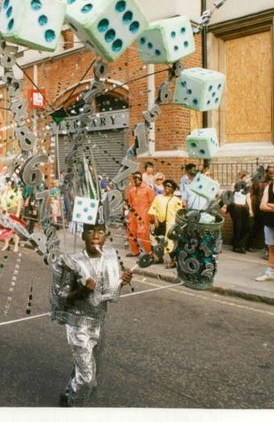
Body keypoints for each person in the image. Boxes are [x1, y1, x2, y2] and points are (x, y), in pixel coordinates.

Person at [50, 223, 134, 407]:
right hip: (78, 325)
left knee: (86, 365)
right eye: (90, 231)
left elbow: (109, 295)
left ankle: (68, 393)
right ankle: (74, 409)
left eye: (100, 231)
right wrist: (82, 291)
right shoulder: (72, 262)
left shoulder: (110, 258)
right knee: (88, 378)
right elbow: (62, 297)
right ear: (83, 236)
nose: (96, 235)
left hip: (99, 322)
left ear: (106, 236)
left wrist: (122, 282)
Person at [147, 179, 182, 267]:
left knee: (169, 242)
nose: (166, 187)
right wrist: (155, 219)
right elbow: (153, 208)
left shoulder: (176, 200)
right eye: (165, 186)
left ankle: (173, 262)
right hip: (159, 223)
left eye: (169, 186)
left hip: (169, 224)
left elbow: (180, 213)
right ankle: (159, 258)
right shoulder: (158, 197)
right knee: (156, 241)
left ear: (173, 189)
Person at [221, 171, 253, 254]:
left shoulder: (247, 187)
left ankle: (241, 244)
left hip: (243, 207)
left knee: (247, 227)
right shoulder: (234, 185)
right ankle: (236, 246)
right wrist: (225, 206)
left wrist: (250, 209)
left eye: (248, 178)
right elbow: (229, 195)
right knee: (237, 226)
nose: (247, 179)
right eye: (246, 177)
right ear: (241, 177)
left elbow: (248, 198)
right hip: (235, 207)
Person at [124, 172, 154, 258]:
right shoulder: (131, 190)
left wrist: (152, 217)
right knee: (131, 233)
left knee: (143, 234)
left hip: (144, 215)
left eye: (138, 177)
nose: (137, 179)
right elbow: (129, 203)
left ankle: (149, 254)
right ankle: (135, 252)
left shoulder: (148, 189)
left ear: (142, 178)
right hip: (133, 215)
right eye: (135, 178)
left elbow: (152, 204)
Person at [250, 166, 272, 258]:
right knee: (257, 226)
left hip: (272, 208)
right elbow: (252, 194)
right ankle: (251, 244)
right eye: (270, 172)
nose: (272, 174)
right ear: (266, 173)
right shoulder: (261, 183)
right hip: (261, 208)